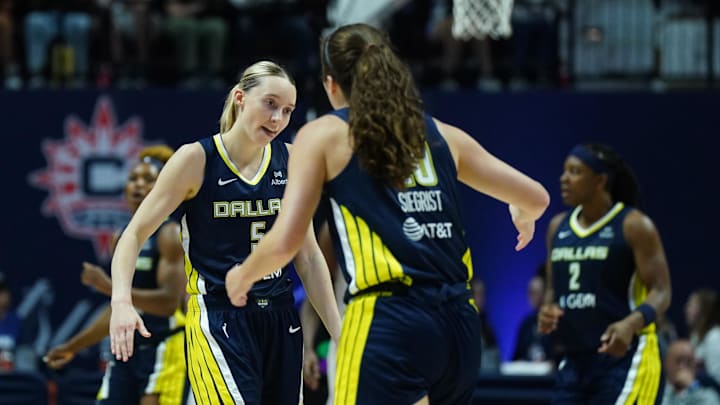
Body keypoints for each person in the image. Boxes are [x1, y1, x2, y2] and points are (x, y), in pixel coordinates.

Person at [224, 23, 550, 405]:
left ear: (331, 85)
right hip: (460, 326)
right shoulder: (442, 134)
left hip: (389, 319)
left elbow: (286, 239)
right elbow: (538, 198)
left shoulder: (326, 135)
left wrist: (241, 276)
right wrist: (522, 212)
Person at [109, 60, 342, 405]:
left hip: (280, 318)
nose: (278, 118)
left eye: (288, 110)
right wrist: (121, 302)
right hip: (220, 319)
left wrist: (341, 335)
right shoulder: (196, 159)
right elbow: (133, 235)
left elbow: (307, 257)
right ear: (240, 98)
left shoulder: (292, 160)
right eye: (270, 104)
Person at [45, 145, 188, 405]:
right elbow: (118, 308)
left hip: (164, 348)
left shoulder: (169, 234)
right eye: (133, 178)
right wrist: (72, 347)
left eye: (148, 179)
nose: (138, 185)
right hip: (125, 348)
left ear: (163, 187)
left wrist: (108, 286)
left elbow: (168, 303)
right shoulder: (121, 237)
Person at [539, 143, 672, 404]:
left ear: (600, 180)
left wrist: (630, 324)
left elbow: (662, 291)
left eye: (575, 172)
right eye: (564, 171)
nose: (563, 179)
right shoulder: (557, 227)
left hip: (626, 359)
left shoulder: (633, 225)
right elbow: (554, 289)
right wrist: (547, 310)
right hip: (575, 360)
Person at [661, 339, 720, 405]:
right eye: (678, 361)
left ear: (695, 365)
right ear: (666, 364)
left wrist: (693, 387)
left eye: (689, 362)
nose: (682, 366)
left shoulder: (707, 393)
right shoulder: (659, 392)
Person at [685, 288, 720, 386]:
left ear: (704, 310)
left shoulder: (714, 336)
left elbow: (717, 378)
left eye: (691, 305)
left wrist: (694, 376)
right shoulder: (695, 336)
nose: (686, 308)